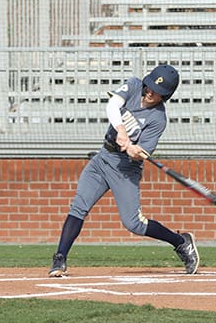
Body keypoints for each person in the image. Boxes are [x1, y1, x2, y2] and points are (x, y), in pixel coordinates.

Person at [48, 64, 199, 277]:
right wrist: (121, 131)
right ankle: (60, 258)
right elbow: (112, 105)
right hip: (102, 159)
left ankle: (181, 241)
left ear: (165, 96)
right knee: (78, 207)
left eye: (157, 93)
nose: (149, 93)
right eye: (149, 87)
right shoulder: (134, 84)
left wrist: (135, 150)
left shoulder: (158, 119)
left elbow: (140, 153)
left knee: (134, 224)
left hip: (126, 169)